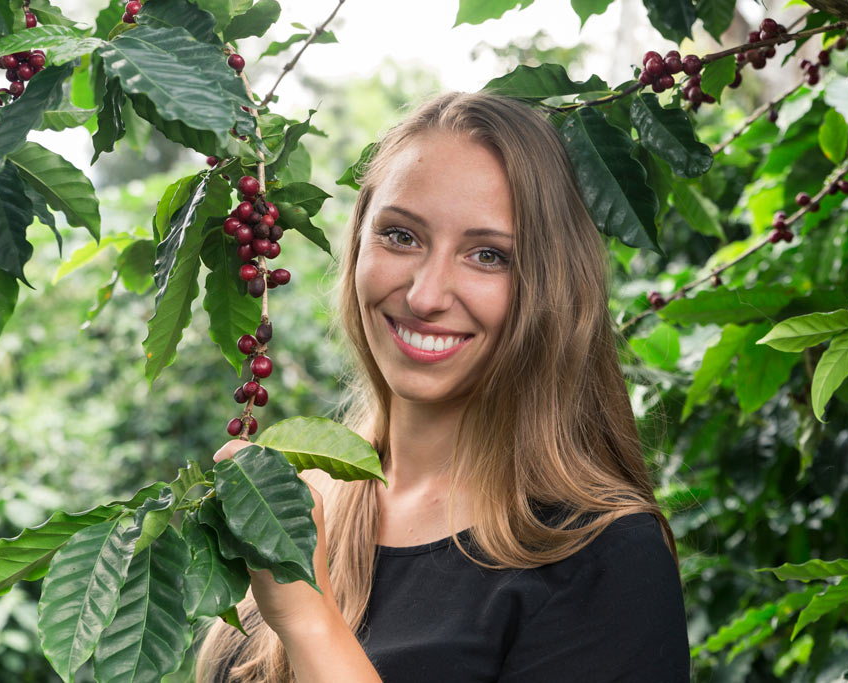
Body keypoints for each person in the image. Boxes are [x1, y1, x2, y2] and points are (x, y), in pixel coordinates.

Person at [198, 91, 690, 682]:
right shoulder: (303, 506)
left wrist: (309, 619)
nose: (426, 296)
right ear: (358, 244)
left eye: (488, 255)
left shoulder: (605, 557)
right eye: (401, 237)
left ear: (552, 285)